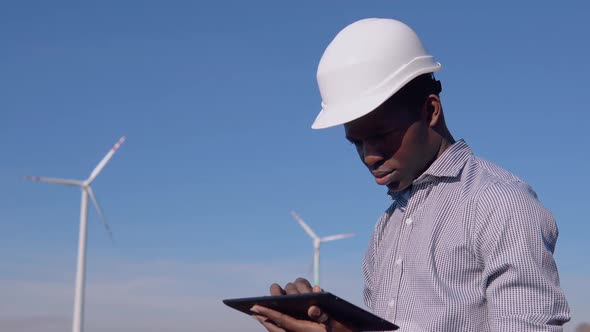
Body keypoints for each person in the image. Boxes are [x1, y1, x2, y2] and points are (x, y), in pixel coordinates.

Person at [250, 18, 571, 331]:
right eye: (357, 143)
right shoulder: (385, 228)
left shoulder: (500, 204)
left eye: (382, 135)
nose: (369, 156)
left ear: (431, 111)